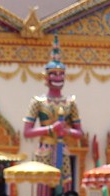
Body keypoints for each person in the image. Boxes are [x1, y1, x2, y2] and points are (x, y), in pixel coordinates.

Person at [23, 34, 84, 185]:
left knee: (64, 185)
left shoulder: (70, 102)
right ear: (46, 77)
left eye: (61, 74)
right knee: (43, 186)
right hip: (44, 148)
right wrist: (51, 128)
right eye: (54, 74)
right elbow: (27, 132)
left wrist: (67, 131)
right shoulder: (38, 102)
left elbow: (80, 133)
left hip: (62, 148)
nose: (58, 78)